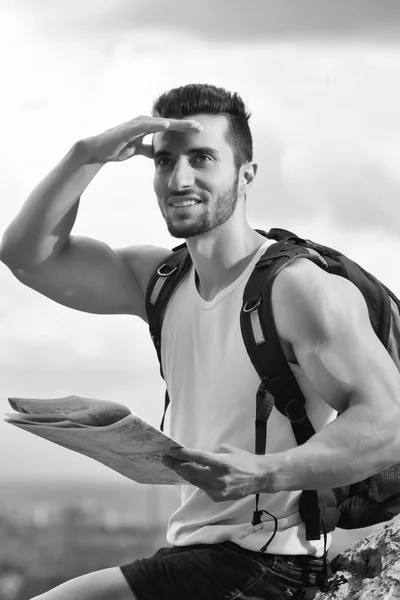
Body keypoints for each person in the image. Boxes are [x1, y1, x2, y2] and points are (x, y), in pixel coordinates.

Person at [1, 83, 400, 600]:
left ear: (246, 174)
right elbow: (27, 256)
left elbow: (388, 421)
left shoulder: (298, 288)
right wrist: (88, 156)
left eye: (202, 158)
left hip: (268, 566)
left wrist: (264, 473)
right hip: (198, 556)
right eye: (164, 162)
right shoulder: (162, 280)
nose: (179, 178)